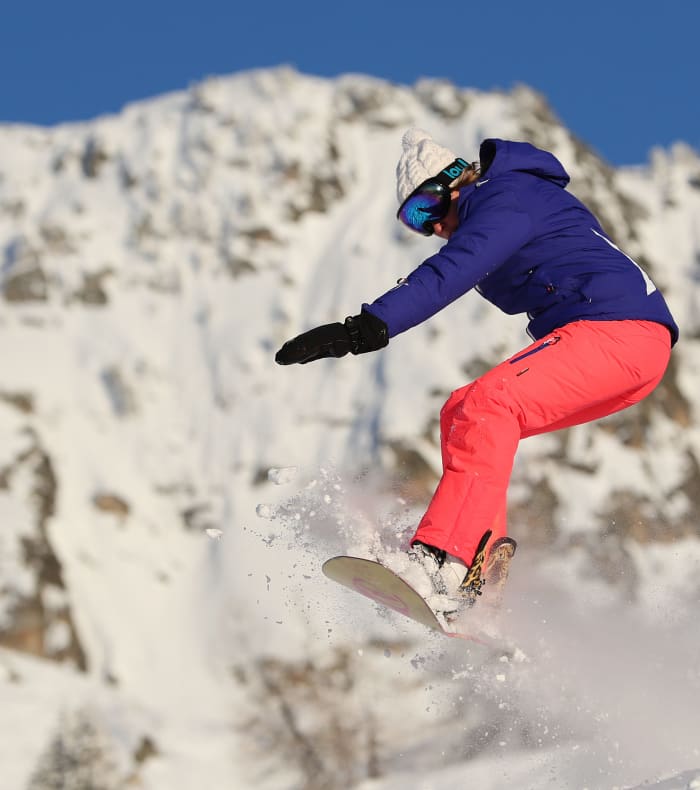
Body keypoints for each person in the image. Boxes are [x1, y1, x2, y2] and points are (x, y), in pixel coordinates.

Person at [275, 127, 678, 617]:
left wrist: (364, 328)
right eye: (413, 222)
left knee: (489, 405)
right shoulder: (512, 201)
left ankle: (443, 558)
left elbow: (452, 271)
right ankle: (480, 581)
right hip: (627, 347)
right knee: (463, 410)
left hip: (615, 332)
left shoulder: (504, 196)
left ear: (453, 184)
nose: (430, 228)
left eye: (424, 209)